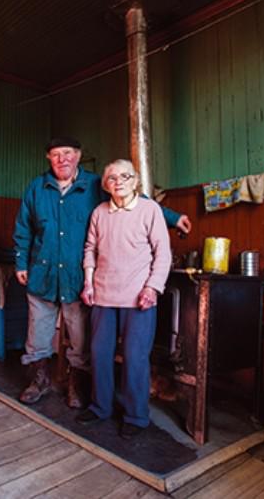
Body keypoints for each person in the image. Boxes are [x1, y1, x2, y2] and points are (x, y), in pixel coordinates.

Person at [13, 137, 189, 408]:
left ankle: (76, 387)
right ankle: (39, 381)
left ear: (78, 156)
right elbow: (24, 228)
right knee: (37, 334)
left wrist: (173, 218)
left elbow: (135, 197)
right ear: (48, 158)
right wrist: (21, 263)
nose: (62, 159)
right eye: (56, 154)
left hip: (76, 277)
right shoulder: (36, 188)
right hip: (42, 273)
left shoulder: (97, 184)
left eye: (68, 153)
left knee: (80, 338)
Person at [75, 159, 171, 439]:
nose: (118, 182)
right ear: (106, 185)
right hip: (103, 294)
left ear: (135, 181)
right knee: (99, 353)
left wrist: (152, 288)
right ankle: (100, 407)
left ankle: (136, 416)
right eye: (112, 178)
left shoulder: (150, 209)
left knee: (134, 357)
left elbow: (163, 253)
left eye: (125, 176)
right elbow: (90, 249)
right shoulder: (99, 212)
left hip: (138, 296)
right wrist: (88, 282)